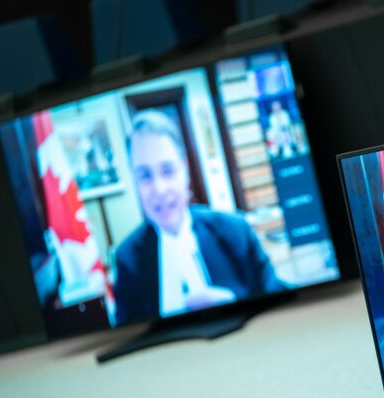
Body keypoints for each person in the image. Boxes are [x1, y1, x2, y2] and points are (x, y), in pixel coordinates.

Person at [113, 109, 286, 326]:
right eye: (145, 176)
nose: (159, 188)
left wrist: (236, 305)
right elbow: (125, 333)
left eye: (168, 170)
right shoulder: (127, 258)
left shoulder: (235, 231)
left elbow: (280, 301)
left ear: (184, 170)